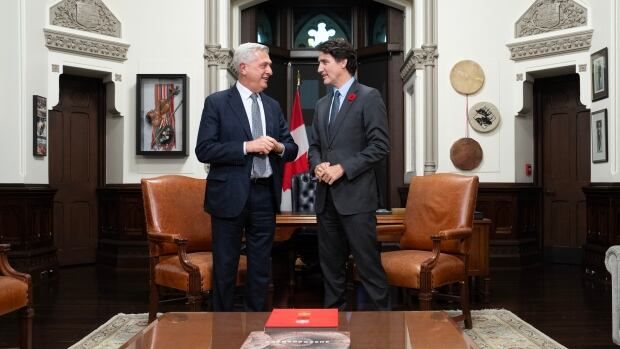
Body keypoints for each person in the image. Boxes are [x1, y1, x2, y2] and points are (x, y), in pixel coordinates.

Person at [195, 43, 298, 311]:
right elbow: (204, 150)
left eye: (269, 66)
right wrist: (246, 146)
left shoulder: (273, 106)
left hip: (265, 195)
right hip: (229, 195)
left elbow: (292, 148)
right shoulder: (217, 103)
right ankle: (222, 326)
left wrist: (278, 147)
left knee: (261, 267)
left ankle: (256, 324)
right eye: (264, 65)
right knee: (226, 265)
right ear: (243, 68)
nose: (269, 71)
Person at [308, 38, 390, 310]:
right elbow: (316, 147)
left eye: (324, 62)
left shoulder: (369, 96)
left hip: (356, 199)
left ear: (343, 61)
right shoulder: (321, 105)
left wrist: (343, 167)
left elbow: (380, 146)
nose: (319, 68)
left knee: (368, 267)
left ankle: (383, 329)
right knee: (330, 270)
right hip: (326, 199)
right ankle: (335, 325)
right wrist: (317, 164)